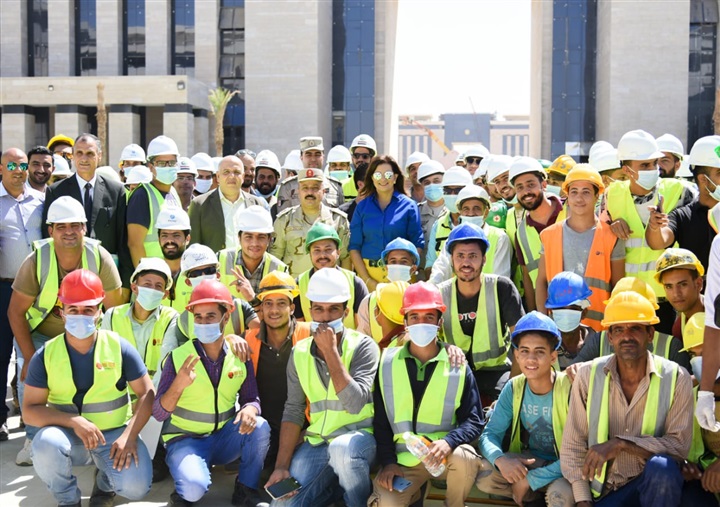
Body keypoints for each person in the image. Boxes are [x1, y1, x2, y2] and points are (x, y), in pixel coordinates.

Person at [24, 270, 154, 507]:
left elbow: (147, 393)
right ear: (62, 312)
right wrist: (73, 421)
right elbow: (30, 411)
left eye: (88, 310)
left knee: (136, 487)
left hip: (113, 436)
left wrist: (130, 435)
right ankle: (68, 500)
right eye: (73, 309)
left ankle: (105, 485)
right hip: (67, 436)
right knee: (44, 445)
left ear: (99, 311)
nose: (80, 316)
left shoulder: (119, 347)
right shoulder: (45, 355)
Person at [9, 196, 123, 466]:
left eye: (75, 225)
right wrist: (30, 357)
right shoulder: (36, 260)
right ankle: (33, 438)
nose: (69, 232)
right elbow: (15, 312)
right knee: (30, 376)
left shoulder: (99, 257)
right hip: (43, 334)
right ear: (50, 230)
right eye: (61, 226)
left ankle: (97, 431)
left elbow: (115, 312)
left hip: (89, 332)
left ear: (85, 227)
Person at [560, 291, 693, 507]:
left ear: (650, 334)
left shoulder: (676, 377)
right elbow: (573, 447)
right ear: (610, 337)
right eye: (619, 329)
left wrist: (621, 444)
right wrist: (583, 500)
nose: (627, 336)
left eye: (635, 328)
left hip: (652, 488)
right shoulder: (588, 375)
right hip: (605, 493)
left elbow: (678, 447)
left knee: (663, 468)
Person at [265, 268, 379, 507]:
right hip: (318, 442)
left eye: (333, 309)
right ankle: (333, 493)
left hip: (358, 440)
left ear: (345, 312)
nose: (325, 317)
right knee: (282, 504)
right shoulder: (300, 352)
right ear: (310, 311)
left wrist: (331, 352)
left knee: (342, 450)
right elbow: (293, 410)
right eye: (318, 309)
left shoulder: (364, 347)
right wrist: (281, 466)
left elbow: (354, 404)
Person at [154, 279, 270, 506]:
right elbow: (158, 413)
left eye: (210, 316)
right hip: (185, 440)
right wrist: (178, 385)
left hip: (223, 438)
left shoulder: (239, 355)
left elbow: (251, 398)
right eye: (198, 317)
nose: (203, 322)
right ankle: (184, 487)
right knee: (193, 490)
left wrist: (250, 409)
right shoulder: (178, 357)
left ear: (225, 318)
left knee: (260, 426)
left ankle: (246, 489)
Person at [369, 282, 484, 507]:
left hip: (445, 456)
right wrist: (388, 462)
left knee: (465, 457)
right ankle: (414, 494)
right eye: (414, 317)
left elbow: (474, 420)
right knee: (386, 502)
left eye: (429, 317)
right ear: (405, 322)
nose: (421, 323)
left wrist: (449, 442)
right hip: (403, 461)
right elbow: (381, 421)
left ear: (439, 322)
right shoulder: (386, 363)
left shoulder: (457, 365)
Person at [477, 311, 574, 507]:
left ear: (553, 356)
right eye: (524, 351)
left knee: (559, 496)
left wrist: (531, 479)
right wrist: (501, 460)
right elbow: (489, 435)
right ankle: (528, 498)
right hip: (531, 461)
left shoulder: (570, 387)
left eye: (539, 351)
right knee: (485, 477)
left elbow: (579, 454)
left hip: (565, 468)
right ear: (516, 356)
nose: (531, 359)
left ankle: (529, 491)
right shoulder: (514, 387)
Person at [606, 129, 695, 333]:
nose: (653, 169)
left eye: (654, 163)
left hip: (669, 298)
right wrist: (611, 224)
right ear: (627, 169)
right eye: (645, 165)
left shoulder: (681, 191)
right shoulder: (611, 195)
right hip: (629, 299)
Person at [437, 223, 524, 401]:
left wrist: (510, 392)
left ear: (484, 259)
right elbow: (423, 339)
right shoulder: (439, 294)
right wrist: (445, 347)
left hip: (497, 372)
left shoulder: (502, 287)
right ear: (451, 259)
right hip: (453, 371)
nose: (466, 263)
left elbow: (522, 341)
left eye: (473, 256)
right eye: (460, 256)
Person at [536, 164, 624, 331]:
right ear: (567, 195)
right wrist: (544, 321)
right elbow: (541, 281)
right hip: (558, 325)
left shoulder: (612, 236)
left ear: (597, 196)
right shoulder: (549, 235)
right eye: (574, 192)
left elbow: (618, 287)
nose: (579, 198)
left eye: (586, 192)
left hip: (599, 328)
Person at [243, 271, 311, 469]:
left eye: (281, 303)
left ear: (292, 308)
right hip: (263, 432)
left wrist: (309, 432)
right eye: (268, 303)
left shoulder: (311, 334)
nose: (274, 310)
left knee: (300, 473)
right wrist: (230, 339)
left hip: (304, 432)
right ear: (261, 308)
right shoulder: (248, 338)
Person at [43, 133, 131, 287]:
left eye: (90, 153)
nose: (84, 159)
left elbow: (123, 240)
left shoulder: (116, 191)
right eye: (79, 153)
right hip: (68, 276)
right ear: (73, 156)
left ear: (99, 156)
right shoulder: (56, 191)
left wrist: (124, 285)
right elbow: (48, 236)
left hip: (106, 275)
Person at [0, 147, 42, 441]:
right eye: (12, 165)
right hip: (4, 288)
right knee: (2, 354)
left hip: (37, 290)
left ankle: (34, 416)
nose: (18, 171)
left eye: (23, 165)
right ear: (1, 168)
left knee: (32, 352)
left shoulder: (41, 202)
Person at [350, 156, 424, 289]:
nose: (383, 179)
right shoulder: (362, 207)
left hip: (401, 275)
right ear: (372, 178)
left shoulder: (409, 206)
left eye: (388, 175)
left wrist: (406, 273)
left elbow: (418, 243)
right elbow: (354, 247)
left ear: (395, 177)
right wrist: (367, 281)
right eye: (378, 175)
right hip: (369, 274)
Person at [647, 135, 720, 269]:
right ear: (703, 179)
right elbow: (659, 242)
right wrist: (654, 227)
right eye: (719, 173)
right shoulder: (683, 216)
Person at [271, 168, 351, 276]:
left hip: (329, 283)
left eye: (315, 188)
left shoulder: (338, 220)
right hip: (294, 284)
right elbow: (275, 257)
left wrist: (344, 282)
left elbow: (345, 257)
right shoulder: (284, 220)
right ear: (298, 191)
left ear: (323, 191)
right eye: (305, 188)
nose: (310, 192)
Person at [510, 156, 565, 312]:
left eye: (531, 185)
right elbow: (527, 279)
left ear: (544, 184)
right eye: (520, 187)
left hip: (578, 306)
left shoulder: (570, 211)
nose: (526, 192)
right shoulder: (521, 233)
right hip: (546, 312)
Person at [175, 244, 260, 342]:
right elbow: (183, 350)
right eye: (195, 274)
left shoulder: (239, 306)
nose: (203, 276)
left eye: (209, 271)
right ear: (188, 282)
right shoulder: (183, 320)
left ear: (218, 275)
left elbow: (263, 335)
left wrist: (252, 299)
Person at [429, 184, 512, 283]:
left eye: (477, 208)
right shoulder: (454, 238)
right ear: (460, 212)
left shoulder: (500, 238)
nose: (471, 213)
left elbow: (500, 279)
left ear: (486, 212)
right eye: (466, 209)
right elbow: (441, 270)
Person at [679, 314, 720, 505]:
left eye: (705, 352)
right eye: (693, 355)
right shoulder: (691, 398)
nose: (699, 361)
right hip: (707, 485)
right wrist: (687, 466)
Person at [294, 221, 367, 329]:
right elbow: (299, 329)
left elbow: (363, 328)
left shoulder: (355, 283)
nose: (322, 255)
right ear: (310, 254)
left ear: (338, 252)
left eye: (328, 250)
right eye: (317, 250)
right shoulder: (298, 285)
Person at [188, 155, 266, 253]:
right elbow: (193, 247)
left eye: (236, 172)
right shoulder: (199, 205)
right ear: (218, 177)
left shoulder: (256, 204)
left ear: (243, 177)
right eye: (226, 172)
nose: (231, 176)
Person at [127, 135, 183, 264]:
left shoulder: (173, 192)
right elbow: (135, 244)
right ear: (151, 167)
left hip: (172, 272)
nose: (168, 167)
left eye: (172, 163)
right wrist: (144, 273)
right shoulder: (141, 196)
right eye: (162, 163)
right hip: (152, 273)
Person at [218, 205, 288, 305]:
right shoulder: (220, 260)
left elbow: (279, 311)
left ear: (269, 239)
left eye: (261, 237)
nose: (255, 243)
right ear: (239, 238)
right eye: (249, 237)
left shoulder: (280, 270)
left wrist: (252, 298)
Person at [356, 238, 419, 336]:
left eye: (404, 261)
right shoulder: (370, 301)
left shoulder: (421, 299)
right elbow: (362, 337)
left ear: (413, 268)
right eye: (393, 261)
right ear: (386, 267)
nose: (397, 265)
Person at [424, 167, 473, 277]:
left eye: (458, 191)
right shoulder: (438, 224)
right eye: (447, 191)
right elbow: (430, 264)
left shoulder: (478, 222)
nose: (452, 195)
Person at [275, 136, 345, 212]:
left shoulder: (335, 186)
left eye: (317, 154)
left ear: (323, 156)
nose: (313, 159)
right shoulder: (288, 187)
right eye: (308, 154)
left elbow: (340, 216)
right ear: (301, 157)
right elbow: (283, 217)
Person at [544, 271, 597, 369]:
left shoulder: (596, 342)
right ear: (551, 312)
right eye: (560, 308)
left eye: (573, 308)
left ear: (584, 313)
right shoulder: (544, 345)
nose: (566, 315)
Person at [654, 248, 705, 342]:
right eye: (669, 286)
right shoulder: (678, 327)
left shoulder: (715, 316)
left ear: (698, 284)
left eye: (683, 284)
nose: (676, 294)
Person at [416, 160, 446, 249]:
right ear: (422, 186)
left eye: (436, 181)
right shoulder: (416, 212)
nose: (432, 185)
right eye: (427, 183)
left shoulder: (453, 210)